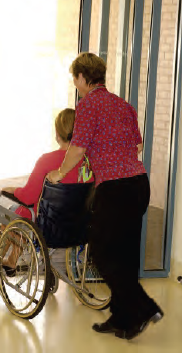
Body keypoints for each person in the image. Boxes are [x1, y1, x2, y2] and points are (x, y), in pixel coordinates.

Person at [47, 52, 164, 340]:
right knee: (125, 253)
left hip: (115, 188)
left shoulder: (87, 105)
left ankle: (144, 307)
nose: (76, 84)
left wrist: (59, 173)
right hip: (138, 183)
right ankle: (122, 319)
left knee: (100, 250)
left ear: (83, 78)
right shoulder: (123, 105)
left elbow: (76, 149)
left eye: (76, 79)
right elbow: (136, 146)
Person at [0, 107, 93, 272]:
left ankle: (4, 260)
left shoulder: (47, 160)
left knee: (13, 211)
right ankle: (11, 260)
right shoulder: (89, 161)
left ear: (57, 134)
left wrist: (11, 190)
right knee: (22, 212)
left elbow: (28, 197)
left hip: (49, 227)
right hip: (80, 227)